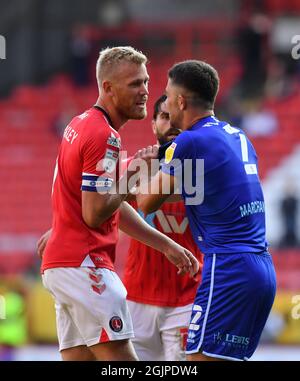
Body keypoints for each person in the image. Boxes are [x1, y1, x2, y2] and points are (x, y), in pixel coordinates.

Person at [37, 47, 199, 361]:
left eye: (146, 82)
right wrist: (135, 178)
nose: (145, 91)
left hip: (64, 266)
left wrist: (165, 245)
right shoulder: (104, 136)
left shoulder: (81, 124)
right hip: (88, 267)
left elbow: (103, 204)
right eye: (135, 84)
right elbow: (96, 212)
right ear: (108, 87)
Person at [139, 60, 277, 361]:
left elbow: (147, 201)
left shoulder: (189, 141)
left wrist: (131, 171)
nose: (164, 99)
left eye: (167, 93)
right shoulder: (237, 135)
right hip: (261, 269)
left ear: (180, 101)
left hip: (227, 268)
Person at [123, 95, 203, 361]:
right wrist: (64, 227)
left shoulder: (204, 169)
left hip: (186, 297)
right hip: (136, 297)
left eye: (175, 117)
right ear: (153, 125)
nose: (171, 124)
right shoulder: (136, 164)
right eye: (164, 117)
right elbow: (101, 206)